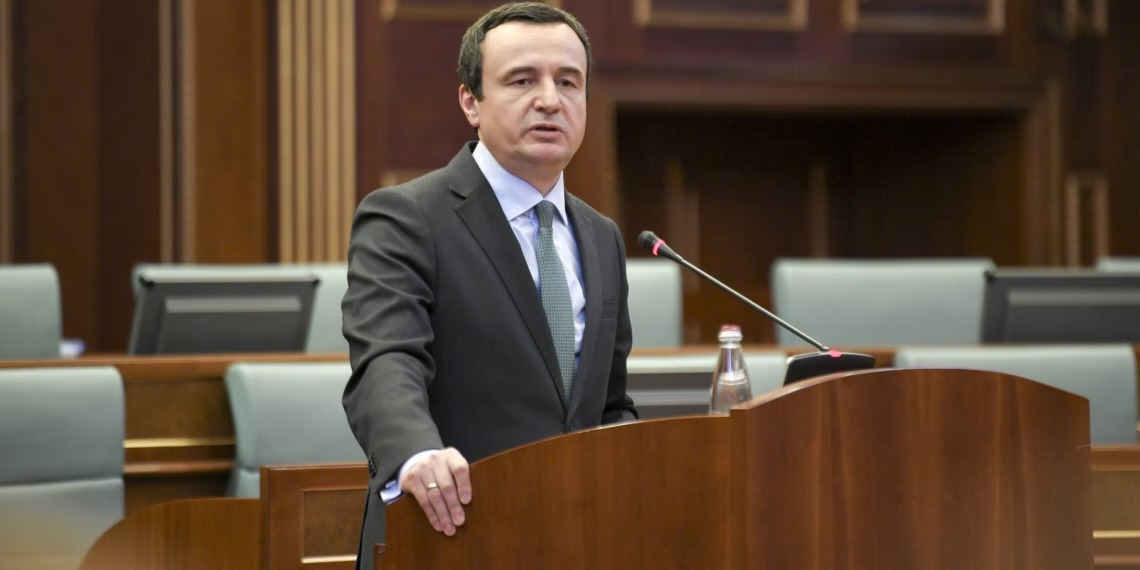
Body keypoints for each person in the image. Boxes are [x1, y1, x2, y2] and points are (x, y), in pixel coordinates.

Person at [341, 3, 638, 568]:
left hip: (576, 539)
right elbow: (386, 361)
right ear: (470, 102)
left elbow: (608, 404)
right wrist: (416, 454)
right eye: (522, 80)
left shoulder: (602, 236)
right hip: (447, 532)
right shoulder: (405, 218)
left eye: (568, 82)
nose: (549, 99)